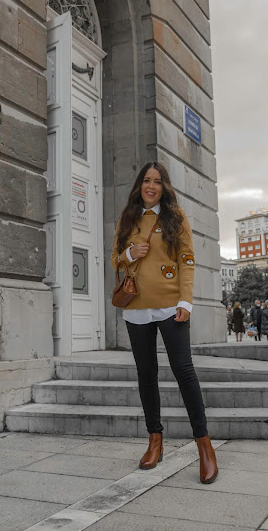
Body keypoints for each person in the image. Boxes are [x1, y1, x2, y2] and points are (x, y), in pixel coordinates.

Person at [111, 162, 218, 484]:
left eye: (157, 181)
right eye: (146, 180)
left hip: (171, 305)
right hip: (137, 307)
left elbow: (187, 260)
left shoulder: (176, 216)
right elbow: (115, 257)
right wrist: (130, 253)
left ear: (164, 186)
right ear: (139, 185)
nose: (151, 186)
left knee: (184, 370)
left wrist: (186, 300)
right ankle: (155, 440)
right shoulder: (128, 216)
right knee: (146, 375)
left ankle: (204, 445)